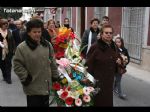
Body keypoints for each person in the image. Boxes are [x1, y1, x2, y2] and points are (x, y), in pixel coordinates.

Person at [13, 19, 59, 107]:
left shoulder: (47, 45)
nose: (37, 34)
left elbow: (52, 61)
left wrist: (55, 76)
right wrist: (26, 78)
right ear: (29, 32)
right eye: (34, 32)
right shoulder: (22, 47)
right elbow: (17, 65)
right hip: (32, 86)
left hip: (46, 85)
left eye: (39, 31)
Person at [85, 24, 122, 106]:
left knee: (108, 101)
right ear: (101, 34)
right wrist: (89, 80)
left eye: (110, 33)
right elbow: (88, 65)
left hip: (109, 80)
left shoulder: (113, 45)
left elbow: (118, 58)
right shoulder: (95, 46)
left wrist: (120, 61)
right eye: (106, 33)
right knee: (99, 102)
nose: (109, 34)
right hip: (98, 81)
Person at [0, 19, 15, 84]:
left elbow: (12, 41)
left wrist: (13, 50)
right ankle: (5, 76)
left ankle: (9, 78)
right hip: (0, 51)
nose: (5, 25)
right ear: (1, 25)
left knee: (8, 64)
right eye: (4, 24)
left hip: (8, 51)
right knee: (2, 65)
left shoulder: (9, 31)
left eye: (6, 23)